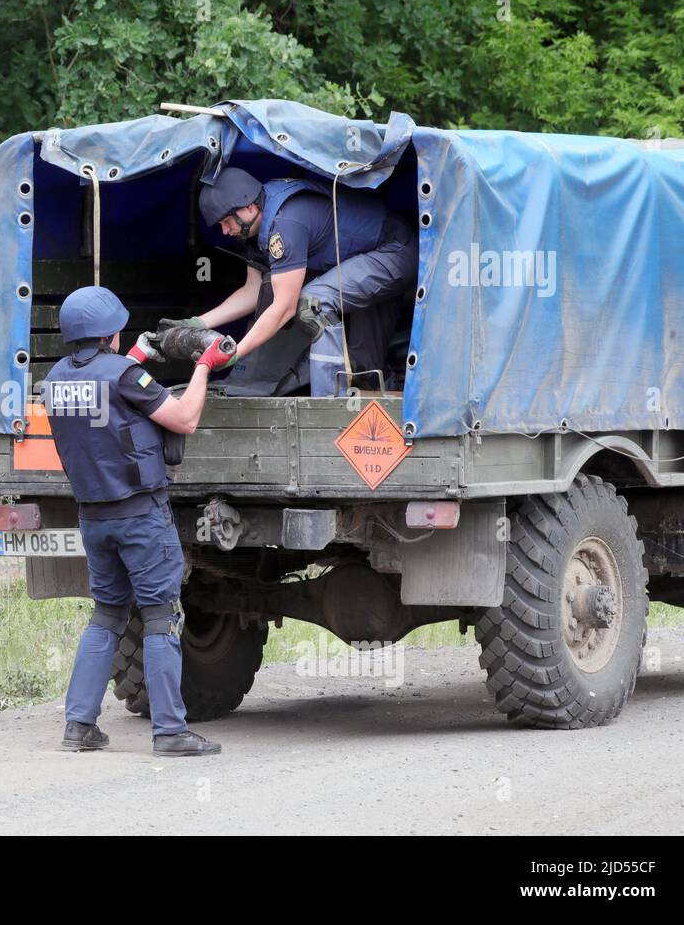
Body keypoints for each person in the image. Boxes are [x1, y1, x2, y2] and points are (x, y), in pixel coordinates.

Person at [42, 285, 233, 756]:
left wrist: (134, 357)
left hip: (94, 517)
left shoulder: (56, 379)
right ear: (110, 332)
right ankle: (170, 732)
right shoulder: (126, 375)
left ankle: (79, 726)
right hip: (140, 517)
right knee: (161, 619)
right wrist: (204, 365)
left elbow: (106, 398)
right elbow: (185, 418)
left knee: (106, 615)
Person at [165, 166, 417, 395]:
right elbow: (252, 291)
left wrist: (235, 353)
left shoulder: (286, 222)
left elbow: (284, 307)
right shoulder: (256, 224)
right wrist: (197, 322)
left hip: (395, 251)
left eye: (227, 221)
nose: (225, 231)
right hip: (364, 259)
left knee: (313, 303)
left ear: (249, 207)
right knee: (367, 372)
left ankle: (327, 407)